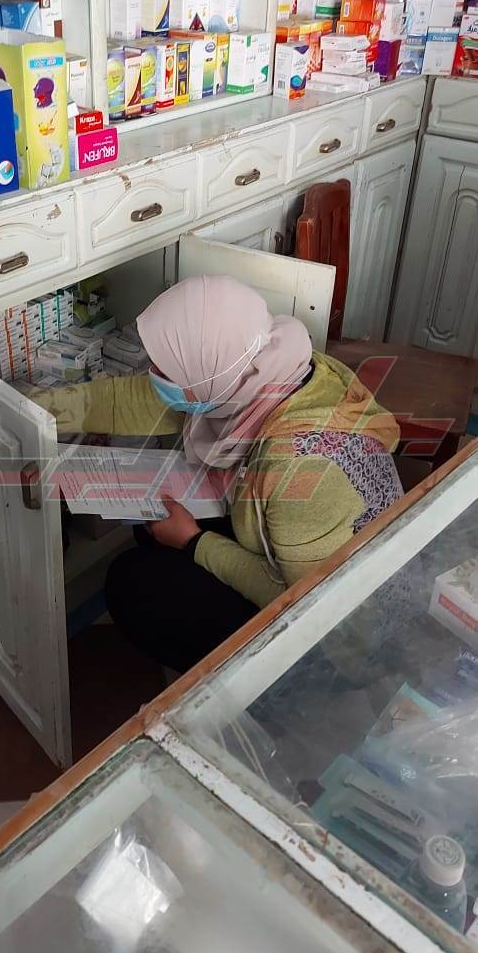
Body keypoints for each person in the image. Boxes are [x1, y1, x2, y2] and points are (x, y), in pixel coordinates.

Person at [27, 275, 402, 673]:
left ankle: (254, 687)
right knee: (151, 522)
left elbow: (303, 598)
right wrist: (29, 411)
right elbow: (129, 400)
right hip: (299, 551)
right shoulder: (259, 367)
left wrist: (194, 542)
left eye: (166, 370)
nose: (154, 374)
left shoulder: (301, 466)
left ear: (208, 377)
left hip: (336, 634)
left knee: (131, 584)